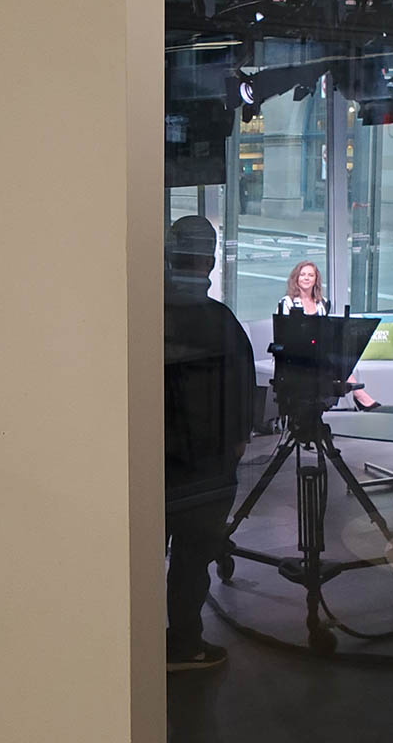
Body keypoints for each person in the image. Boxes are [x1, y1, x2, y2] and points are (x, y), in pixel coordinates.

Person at [164, 215, 255, 671]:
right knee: (190, 562)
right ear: (209, 262)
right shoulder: (221, 324)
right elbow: (242, 399)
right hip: (205, 473)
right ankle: (183, 645)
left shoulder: (143, 321)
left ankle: (132, 646)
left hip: (155, 468)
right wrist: (233, 449)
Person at [278, 260, 381, 411]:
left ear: (315, 280)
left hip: (319, 354)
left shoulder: (322, 303)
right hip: (295, 357)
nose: (306, 278)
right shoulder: (287, 302)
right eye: (303, 275)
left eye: (310, 275)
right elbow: (283, 333)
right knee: (334, 360)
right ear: (296, 278)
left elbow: (327, 330)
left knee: (338, 355)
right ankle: (360, 396)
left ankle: (359, 396)